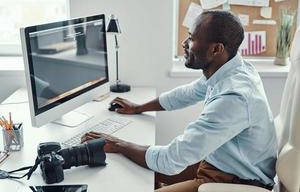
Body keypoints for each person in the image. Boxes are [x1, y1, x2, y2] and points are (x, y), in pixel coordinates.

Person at [81, 10, 277, 192]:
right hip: (218, 163)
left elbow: (170, 159)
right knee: (130, 170)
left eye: (192, 39)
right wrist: (139, 107)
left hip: (234, 180)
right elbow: (187, 93)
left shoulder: (234, 98)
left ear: (216, 49)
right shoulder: (230, 68)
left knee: (135, 171)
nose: (184, 43)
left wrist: (118, 144)